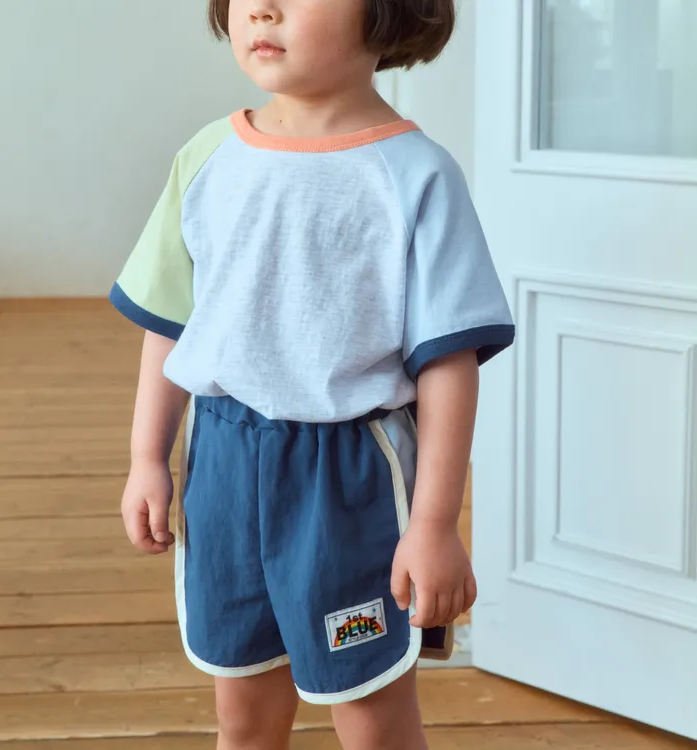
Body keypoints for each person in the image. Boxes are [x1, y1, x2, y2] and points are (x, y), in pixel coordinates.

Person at [110, 1, 515, 748]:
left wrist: (434, 525)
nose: (263, 8)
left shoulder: (416, 175)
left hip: (350, 482)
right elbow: (169, 322)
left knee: (370, 711)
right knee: (243, 711)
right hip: (224, 465)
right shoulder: (208, 156)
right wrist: (147, 458)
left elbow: (448, 364)